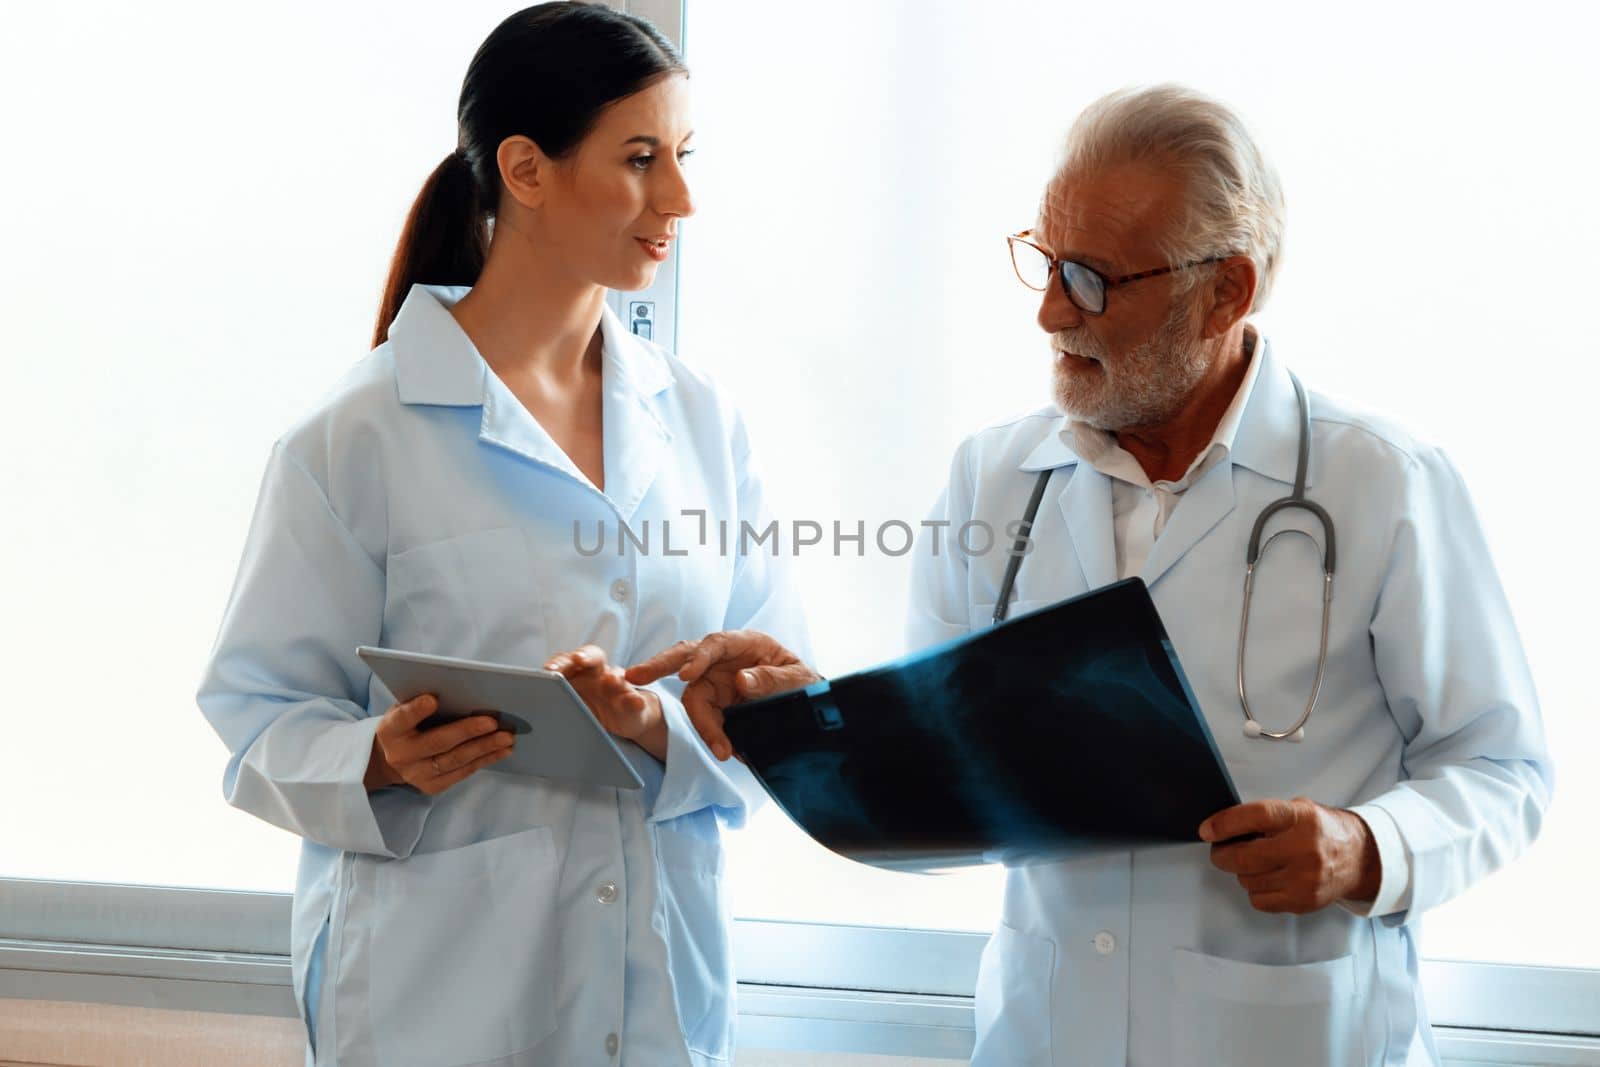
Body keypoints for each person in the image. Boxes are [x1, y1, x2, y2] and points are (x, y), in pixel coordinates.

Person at [629, 85, 1553, 1066]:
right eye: (1041, 259)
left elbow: (1502, 769)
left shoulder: (1380, 481)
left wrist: (1369, 847)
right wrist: (806, 712)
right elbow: (939, 782)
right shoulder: (994, 478)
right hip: (1045, 1032)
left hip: (1285, 1033)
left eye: (1091, 277)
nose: (1048, 310)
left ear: (1226, 290)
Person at [195, 5, 805, 1065]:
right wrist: (375, 756)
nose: (681, 199)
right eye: (641, 159)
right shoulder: (357, 437)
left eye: (685, 156)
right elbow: (256, 717)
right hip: (438, 997)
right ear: (525, 169)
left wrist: (663, 720)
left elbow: (787, 707)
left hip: (659, 990)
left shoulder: (705, 423)